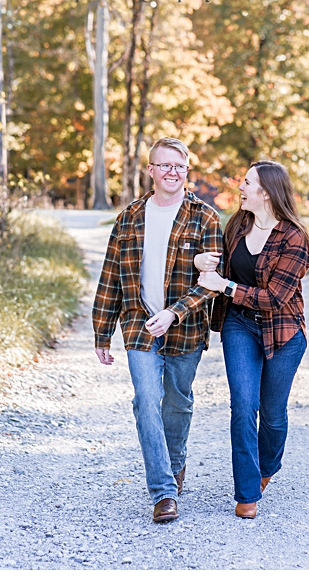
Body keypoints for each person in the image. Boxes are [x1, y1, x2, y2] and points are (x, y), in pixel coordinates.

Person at [92, 137, 224, 523]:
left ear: (187, 171)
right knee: (146, 400)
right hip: (138, 324)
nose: (172, 172)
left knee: (177, 403)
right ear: (150, 170)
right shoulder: (130, 217)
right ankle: (164, 492)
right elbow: (111, 276)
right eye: (164, 165)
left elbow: (211, 282)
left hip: (185, 328)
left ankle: (176, 462)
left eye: (179, 166)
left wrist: (174, 313)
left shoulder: (206, 218)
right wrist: (101, 333)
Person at [193, 160, 309, 519]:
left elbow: (276, 297)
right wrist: (201, 261)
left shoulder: (294, 238)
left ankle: (266, 468)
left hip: (284, 333)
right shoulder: (237, 225)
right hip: (240, 325)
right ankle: (247, 494)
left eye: (247, 183)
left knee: (273, 415)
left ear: (266, 192)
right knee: (243, 406)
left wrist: (226, 286)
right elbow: (216, 268)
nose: (240, 188)